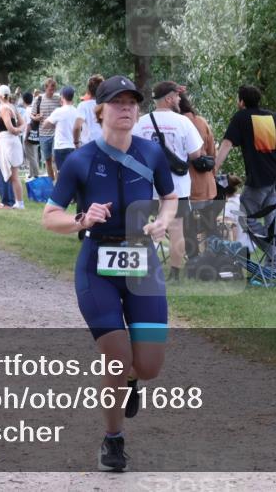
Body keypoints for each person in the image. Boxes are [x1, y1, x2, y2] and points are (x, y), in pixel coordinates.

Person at [42, 75, 177, 473]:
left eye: (132, 102)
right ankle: (113, 439)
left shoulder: (151, 153)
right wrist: (82, 219)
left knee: (148, 366)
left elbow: (169, 198)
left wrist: (162, 222)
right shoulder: (80, 160)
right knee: (117, 358)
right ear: (100, 110)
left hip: (142, 258)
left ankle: (130, 383)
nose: (126, 108)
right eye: (117, 102)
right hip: (97, 265)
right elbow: (49, 217)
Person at [132, 81, 204, 282]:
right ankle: (174, 274)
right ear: (170, 98)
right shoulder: (183, 122)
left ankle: (141, 267)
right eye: (178, 96)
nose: (180, 100)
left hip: (147, 184)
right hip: (176, 186)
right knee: (176, 229)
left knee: (144, 226)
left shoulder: (141, 122)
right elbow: (196, 153)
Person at [214, 85, 276, 270]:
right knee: (272, 221)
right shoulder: (273, 117)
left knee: (243, 218)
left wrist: (215, 168)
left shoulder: (241, 117)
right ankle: (275, 264)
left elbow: (226, 144)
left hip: (257, 181)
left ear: (241, 102)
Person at [178, 91, 218, 260]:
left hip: (188, 185)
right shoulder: (202, 121)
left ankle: (193, 257)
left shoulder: (178, 124)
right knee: (210, 224)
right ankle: (214, 255)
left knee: (187, 225)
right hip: (207, 184)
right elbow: (212, 152)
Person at [0, 85, 25, 209]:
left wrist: (16, 130)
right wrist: (18, 130)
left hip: (7, 141)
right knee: (13, 175)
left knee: (14, 175)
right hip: (10, 140)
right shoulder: (12, 107)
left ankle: (19, 202)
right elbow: (23, 124)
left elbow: (10, 127)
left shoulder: (5, 108)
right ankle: (18, 201)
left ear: (0, 95)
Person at [43, 85, 79, 176]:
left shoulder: (58, 111)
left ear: (62, 97)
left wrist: (54, 124)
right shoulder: (77, 111)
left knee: (61, 174)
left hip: (61, 147)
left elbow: (45, 125)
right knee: (73, 174)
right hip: (74, 146)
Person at [32, 78, 61, 180]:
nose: (52, 91)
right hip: (43, 134)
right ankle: (51, 182)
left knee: (55, 159)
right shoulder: (38, 99)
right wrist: (37, 118)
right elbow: (32, 115)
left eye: (54, 89)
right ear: (45, 88)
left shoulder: (58, 99)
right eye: (50, 89)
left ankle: (57, 183)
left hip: (56, 134)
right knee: (47, 160)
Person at [74, 75, 105, 147]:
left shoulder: (83, 105)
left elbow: (77, 126)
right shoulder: (107, 105)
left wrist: (76, 143)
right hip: (106, 145)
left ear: (88, 90)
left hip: (89, 145)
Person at [22, 91, 41, 178]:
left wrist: (26, 137)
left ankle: (36, 174)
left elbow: (29, 124)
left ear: (23, 100)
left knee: (30, 156)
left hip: (29, 135)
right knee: (34, 155)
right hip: (35, 135)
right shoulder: (33, 108)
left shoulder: (27, 110)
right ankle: (31, 173)